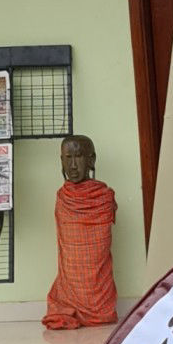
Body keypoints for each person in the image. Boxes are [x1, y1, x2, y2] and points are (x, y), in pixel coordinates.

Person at [44, 134, 118, 330]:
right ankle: (72, 304)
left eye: (78, 157)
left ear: (91, 159)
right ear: (61, 160)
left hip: (100, 295)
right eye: (68, 158)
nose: (73, 165)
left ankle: (98, 309)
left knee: (97, 260)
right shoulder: (63, 198)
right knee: (71, 259)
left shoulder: (104, 197)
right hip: (70, 285)